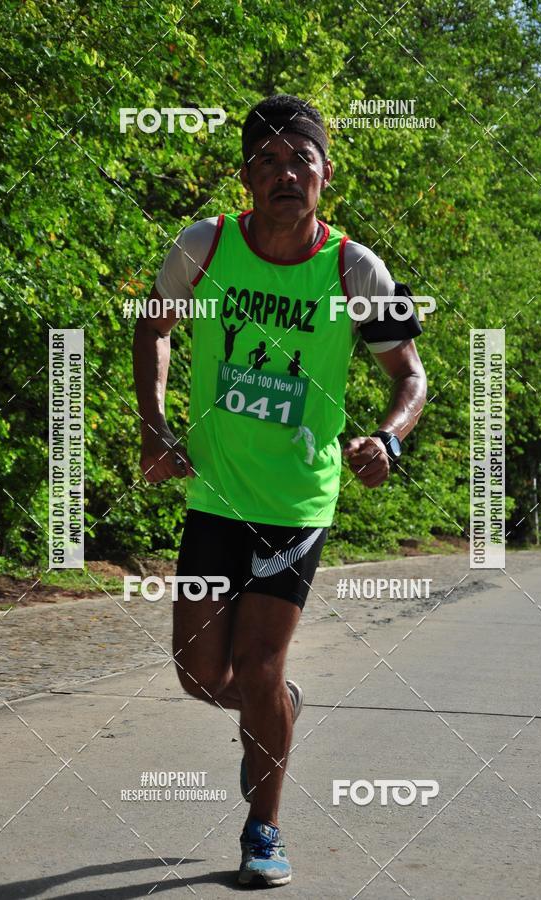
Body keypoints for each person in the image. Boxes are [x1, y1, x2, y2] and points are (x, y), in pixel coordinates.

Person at [133, 93, 427, 888]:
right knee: (201, 676)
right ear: (247, 180)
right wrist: (155, 423)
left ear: (325, 174)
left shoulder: (353, 268)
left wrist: (390, 437)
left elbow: (410, 374)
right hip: (216, 496)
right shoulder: (206, 243)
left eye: (300, 159)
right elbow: (153, 327)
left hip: (297, 502)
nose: (285, 173)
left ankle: (263, 828)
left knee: (259, 665)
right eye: (267, 161)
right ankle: (278, 712)